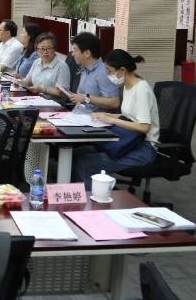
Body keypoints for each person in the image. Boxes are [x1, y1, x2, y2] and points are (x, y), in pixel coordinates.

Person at [72, 49, 159, 188]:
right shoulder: (128, 86)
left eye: (109, 71)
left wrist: (112, 120)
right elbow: (129, 116)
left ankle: (95, 199)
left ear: (123, 70)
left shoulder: (141, 90)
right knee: (77, 153)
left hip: (143, 148)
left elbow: (144, 127)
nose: (107, 75)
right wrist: (106, 116)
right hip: (129, 140)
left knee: (85, 164)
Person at [67, 32, 121, 112]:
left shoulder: (104, 72)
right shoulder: (84, 69)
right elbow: (81, 96)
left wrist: (87, 98)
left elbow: (115, 102)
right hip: (79, 113)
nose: (72, 54)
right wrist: (66, 93)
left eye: (75, 50)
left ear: (87, 53)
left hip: (94, 117)